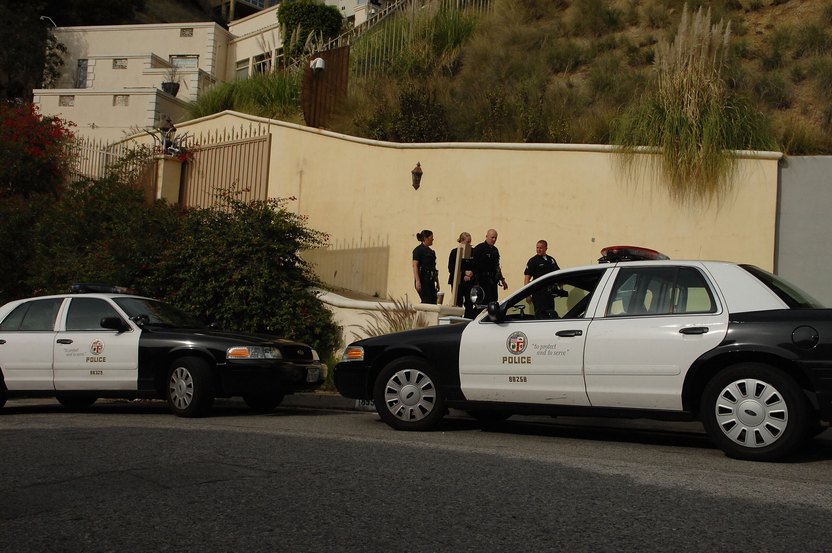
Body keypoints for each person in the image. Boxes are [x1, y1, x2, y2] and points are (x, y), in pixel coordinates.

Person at [524, 239, 561, 318]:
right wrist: (527, 295)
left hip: (549, 294)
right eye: (537, 247)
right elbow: (527, 278)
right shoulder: (533, 261)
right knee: (540, 315)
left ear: (546, 248)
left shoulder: (551, 260)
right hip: (538, 294)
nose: (538, 249)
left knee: (551, 314)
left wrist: (560, 287)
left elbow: (557, 274)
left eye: (541, 248)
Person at [472, 229, 507, 304]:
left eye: (495, 238)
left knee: (493, 302)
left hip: (492, 281)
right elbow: (473, 265)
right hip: (482, 281)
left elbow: (497, 266)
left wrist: (502, 280)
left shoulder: (495, 250)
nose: (494, 240)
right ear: (487, 236)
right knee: (483, 302)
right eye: (492, 237)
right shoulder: (479, 248)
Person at [448, 232, 476, 317]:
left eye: (470, 242)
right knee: (457, 302)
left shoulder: (472, 252)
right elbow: (451, 268)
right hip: (458, 281)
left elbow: (475, 265)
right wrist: (463, 274)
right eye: (468, 242)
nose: (469, 244)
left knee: (469, 303)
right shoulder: (454, 252)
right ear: (462, 241)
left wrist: (471, 274)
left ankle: (468, 320)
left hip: (469, 282)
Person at [412, 229, 439, 304]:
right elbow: (415, 266)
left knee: (433, 301)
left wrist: (437, 282)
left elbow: (433, 268)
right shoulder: (418, 250)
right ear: (426, 238)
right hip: (423, 279)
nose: (433, 239)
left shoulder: (431, 252)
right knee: (426, 301)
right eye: (431, 237)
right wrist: (417, 281)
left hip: (431, 280)